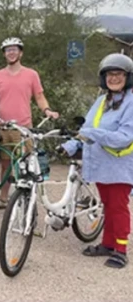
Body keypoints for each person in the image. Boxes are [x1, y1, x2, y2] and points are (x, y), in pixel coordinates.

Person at [61, 53, 133, 269]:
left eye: (119, 74)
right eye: (110, 74)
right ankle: (107, 244)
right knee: (108, 206)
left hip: (120, 166)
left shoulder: (131, 102)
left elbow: (125, 137)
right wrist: (71, 145)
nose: (114, 78)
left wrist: (94, 133)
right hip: (102, 166)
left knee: (118, 208)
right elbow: (87, 130)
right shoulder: (102, 101)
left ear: (128, 77)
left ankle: (121, 250)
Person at [0, 37, 59, 209]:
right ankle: (3, 199)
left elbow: (39, 97)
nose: (11, 52)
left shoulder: (31, 75)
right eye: (8, 50)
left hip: (24, 127)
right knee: (6, 164)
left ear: (21, 52)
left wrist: (47, 110)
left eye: (14, 49)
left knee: (26, 164)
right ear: (4, 54)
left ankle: (26, 199)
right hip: (4, 126)